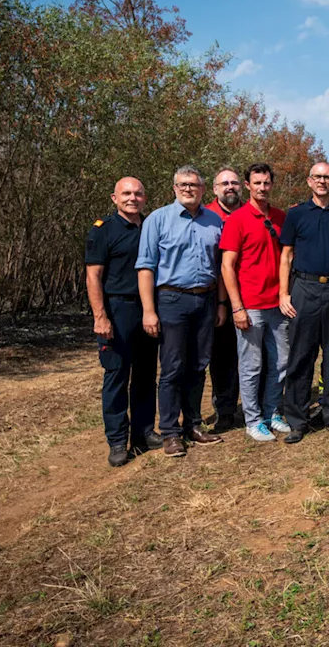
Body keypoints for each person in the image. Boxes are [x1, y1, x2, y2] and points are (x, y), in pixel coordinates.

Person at [136, 166, 227, 457]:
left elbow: (222, 267)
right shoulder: (157, 219)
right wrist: (149, 311)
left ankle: (194, 425)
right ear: (174, 188)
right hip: (171, 300)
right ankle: (170, 432)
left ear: (203, 189)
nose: (189, 189)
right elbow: (146, 267)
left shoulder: (214, 221)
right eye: (183, 184)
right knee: (173, 368)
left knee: (199, 366)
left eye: (194, 185)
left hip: (206, 301)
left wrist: (222, 303)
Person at [279, 162, 329, 443]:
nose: (323, 181)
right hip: (304, 289)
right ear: (309, 180)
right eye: (318, 177)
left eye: (327, 177)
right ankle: (297, 421)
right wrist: (283, 293)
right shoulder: (296, 214)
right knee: (301, 356)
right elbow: (286, 256)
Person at [85, 177, 161, 467]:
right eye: (126, 193)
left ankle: (143, 433)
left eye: (138, 193)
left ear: (145, 197)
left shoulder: (151, 226)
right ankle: (117, 441)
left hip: (149, 309)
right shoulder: (103, 231)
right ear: (114, 198)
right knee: (116, 377)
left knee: (145, 375)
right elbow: (94, 276)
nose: (133, 198)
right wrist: (100, 316)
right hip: (118, 310)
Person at [221, 163, 292, 443]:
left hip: (278, 304)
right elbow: (228, 266)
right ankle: (252, 420)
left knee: (280, 362)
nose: (262, 187)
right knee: (251, 365)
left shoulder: (280, 217)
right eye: (257, 183)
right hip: (250, 305)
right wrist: (236, 307)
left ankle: (272, 411)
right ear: (247, 186)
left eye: (266, 183)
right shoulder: (237, 219)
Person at [205, 168, 244, 432]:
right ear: (215, 188)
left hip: (251, 295)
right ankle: (226, 410)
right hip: (217, 300)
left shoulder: (252, 212)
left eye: (234, 182)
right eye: (224, 183)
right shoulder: (206, 216)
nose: (230, 187)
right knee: (222, 357)